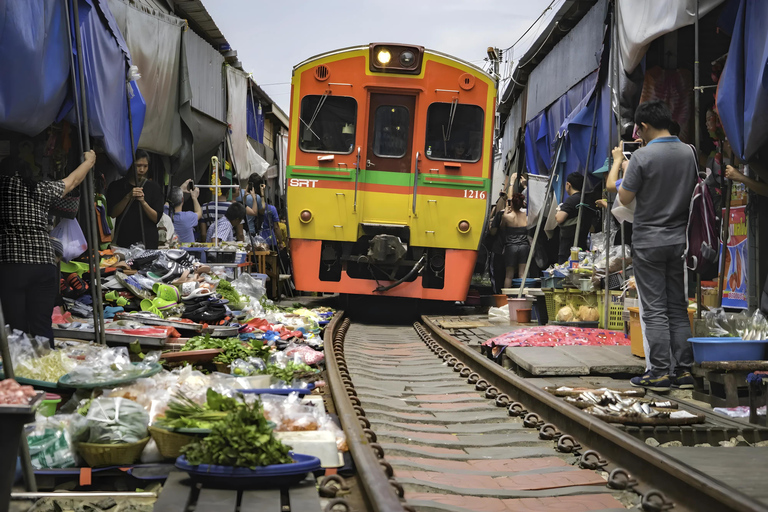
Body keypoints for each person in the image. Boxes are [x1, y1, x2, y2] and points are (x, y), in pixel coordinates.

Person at [618, 100, 698, 391]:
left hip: (649, 242)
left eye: (639, 129)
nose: (639, 134)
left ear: (645, 126)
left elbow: (625, 199)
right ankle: (685, 372)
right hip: (680, 241)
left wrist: (623, 174)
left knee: (654, 309)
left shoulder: (642, 157)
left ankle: (661, 373)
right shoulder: (689, 153)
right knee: (677, 306)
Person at [0, 150, 96, 344]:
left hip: (12, 265)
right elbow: (73, 181)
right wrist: (89, 161)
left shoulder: (2, 187)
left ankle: (19, 370)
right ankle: (46, 368)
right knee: (42, 325)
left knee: (16, 328)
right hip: (44, 265)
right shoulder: (40, 189)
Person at [106, 150, 164, 249]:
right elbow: (113, 213)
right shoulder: (117, 186)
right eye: (138, 165)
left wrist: (143, 202)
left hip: (148, 242)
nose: (142, 170)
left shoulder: (154, 188)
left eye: (145, 166)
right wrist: (128, 196)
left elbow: (156, 218)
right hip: (124, 241)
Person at [493, 192, 529, 288]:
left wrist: (505, 213)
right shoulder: (526, 216)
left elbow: (502, 228)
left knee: (509, 275)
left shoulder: (507, 217)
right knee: (522, 274)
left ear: (512, 203)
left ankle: (506, 298)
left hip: (511, 247)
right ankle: (522, 297)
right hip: (524, 246)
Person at [555, 173, 593, 263]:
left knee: (565, 272)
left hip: (568, 247)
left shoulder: (571, 200)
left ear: (568, 184)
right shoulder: (586, 200)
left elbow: (559, 218)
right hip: (583, 245)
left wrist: (558, 211)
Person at [200, 174, 244, 242]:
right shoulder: (234, 208)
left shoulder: (204, 207)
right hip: (228, 245)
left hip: (209, 245)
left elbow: (203, 234)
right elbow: (240, 234)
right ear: (228, 192)